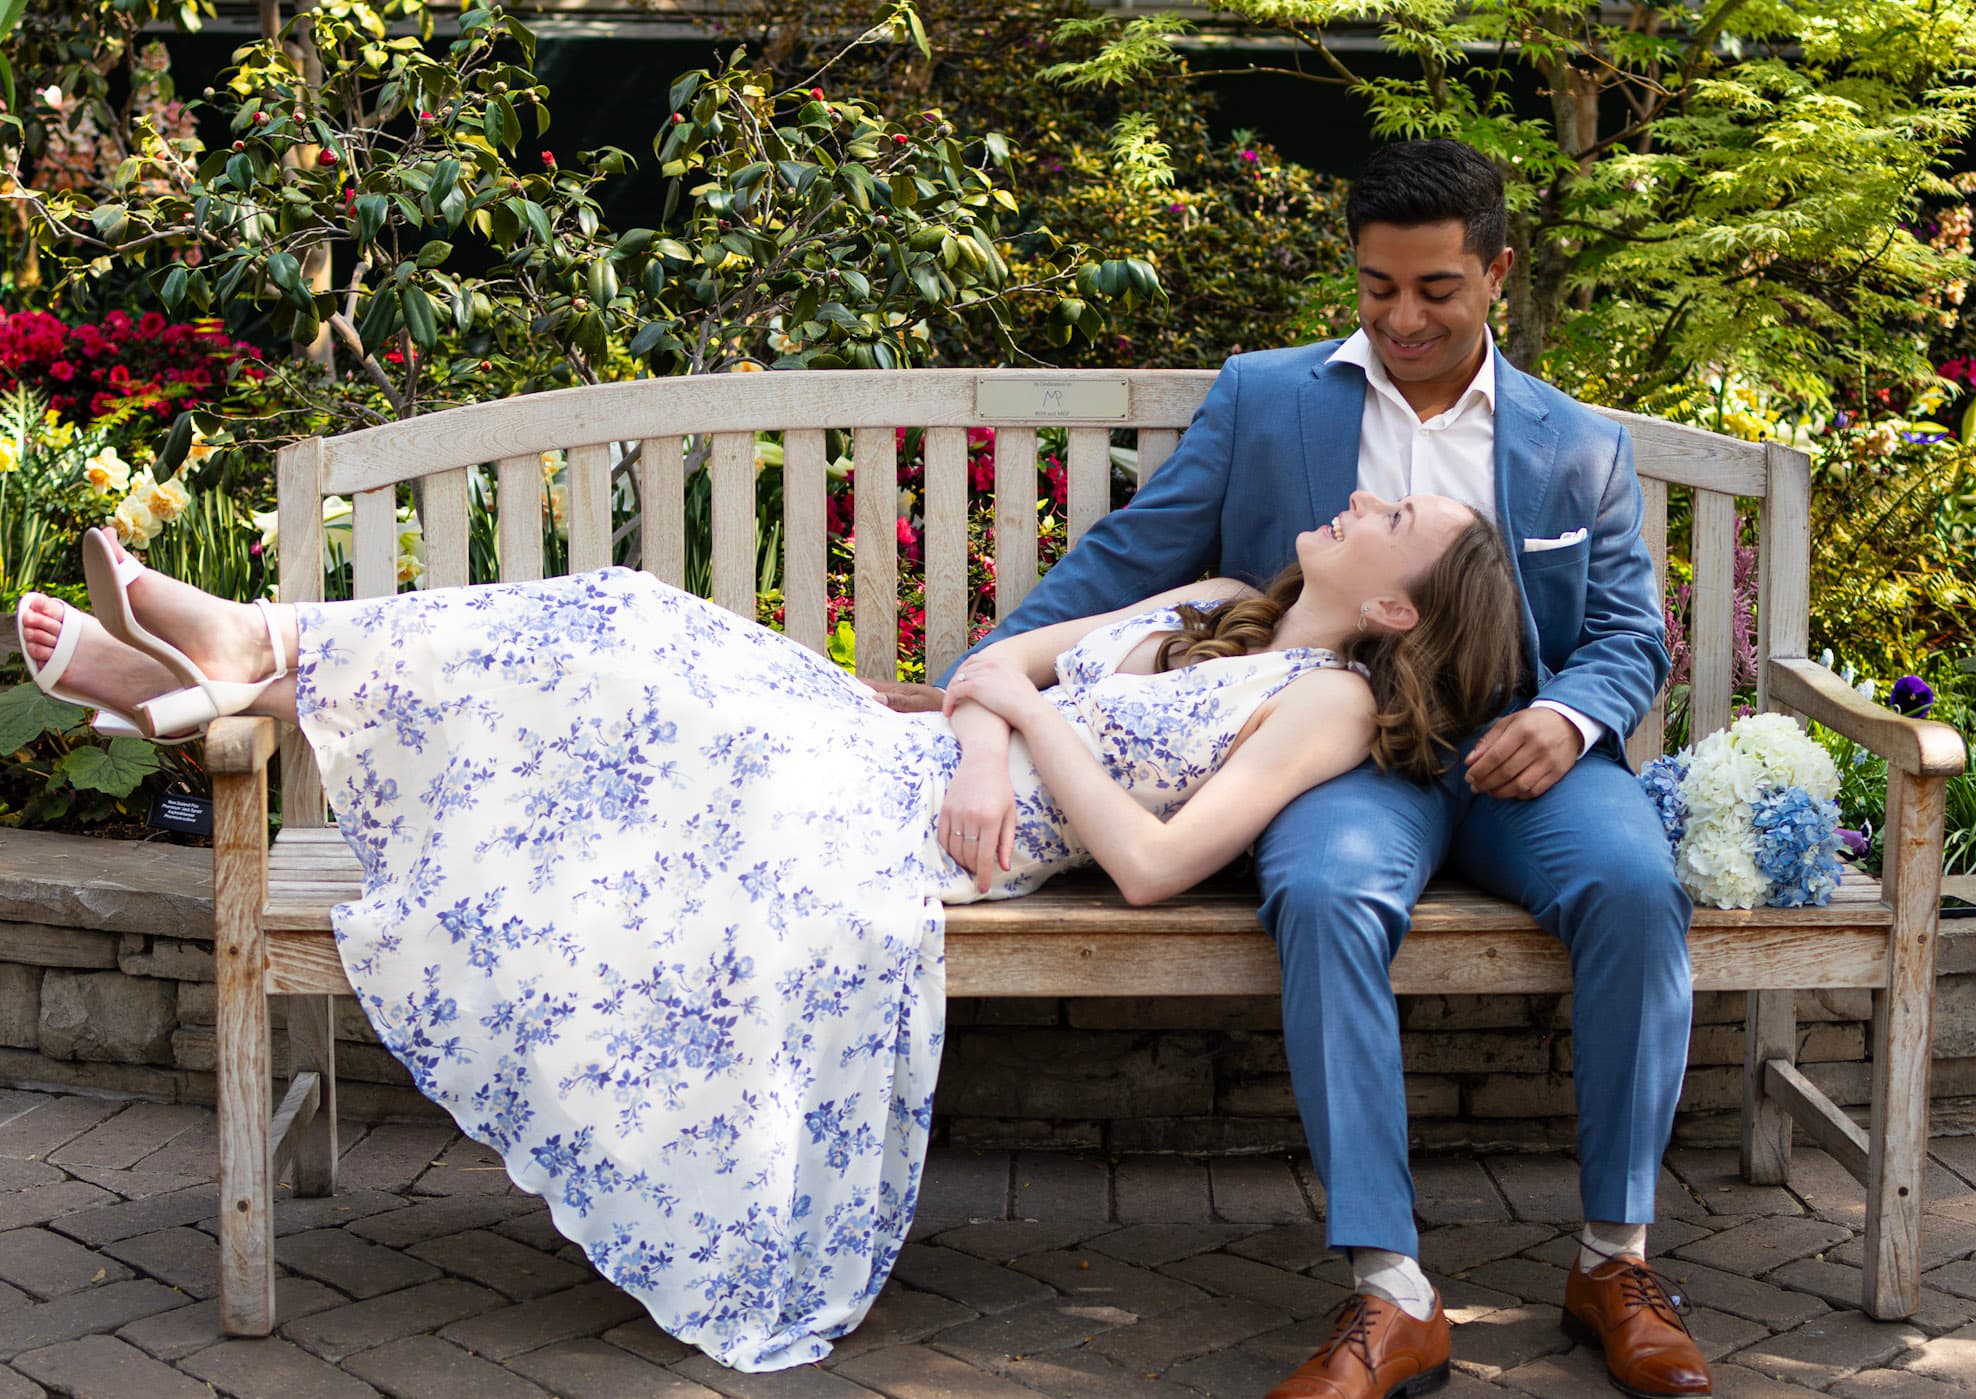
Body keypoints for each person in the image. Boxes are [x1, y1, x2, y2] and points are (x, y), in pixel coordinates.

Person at [15, 483, 1522, 1373]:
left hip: (881, 824)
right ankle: (236, 664)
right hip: (900, 764)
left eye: (1397, 515)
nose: (1362, 498)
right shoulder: (1208, 597)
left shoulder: (1318, 702)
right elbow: (999, 670)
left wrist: (1009, 725)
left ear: (1403, 611)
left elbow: (1143, 860)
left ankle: (231, 664)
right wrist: (995, 726)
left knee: (612, 633)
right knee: (610, 625)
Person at [879, 139, 1708, 1399]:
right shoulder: (1267, 399)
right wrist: (981, 700)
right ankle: (1390, 1292)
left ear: (1494, 272)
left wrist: (1577, 720)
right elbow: (1121, 565)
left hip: (1518, 753)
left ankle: (1614, 1259)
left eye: (1434, 289)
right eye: (1377, 288)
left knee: (1635, 886)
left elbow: (1626, 632)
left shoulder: (1573, 444)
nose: (1402, 317)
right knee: (1322, 896)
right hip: (1338, 755)